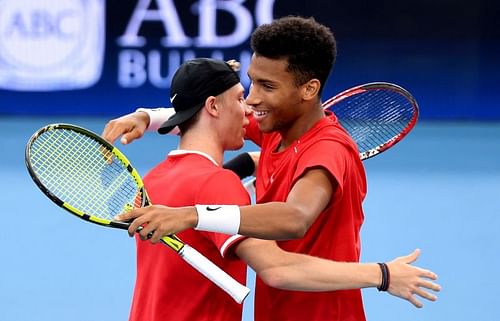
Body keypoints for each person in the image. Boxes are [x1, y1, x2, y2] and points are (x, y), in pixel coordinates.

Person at [105, 17, 440, 321]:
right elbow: (213, 116)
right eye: (251, 83)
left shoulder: (328, 150)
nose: (251, 100)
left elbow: (295, 218)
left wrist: (192, 214)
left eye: (268, 87)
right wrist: (147, 116)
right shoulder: (276, 128)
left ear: (309, 89)